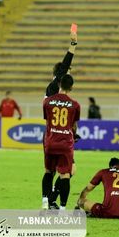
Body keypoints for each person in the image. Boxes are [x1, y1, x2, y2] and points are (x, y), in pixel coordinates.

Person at [44, 31, 79, 209]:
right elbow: (66, 64)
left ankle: (50, 200)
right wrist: (73, 46)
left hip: (55, 136)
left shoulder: (54, 90)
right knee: (67, 171)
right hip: (57, 136)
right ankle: (51, 199)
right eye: (67, 71)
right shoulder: (54, 86)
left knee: (63, 172)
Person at [42, 74, 81, 210]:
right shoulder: (75, 105)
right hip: (65, 143)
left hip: (51, 141)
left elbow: (48, 121)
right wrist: (74, 134)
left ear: (59, 84)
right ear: (71, 87)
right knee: (65, 175)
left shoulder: (47, 102)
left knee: (48, 171)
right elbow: (73, 125)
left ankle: (45, 203)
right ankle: (63, 208)